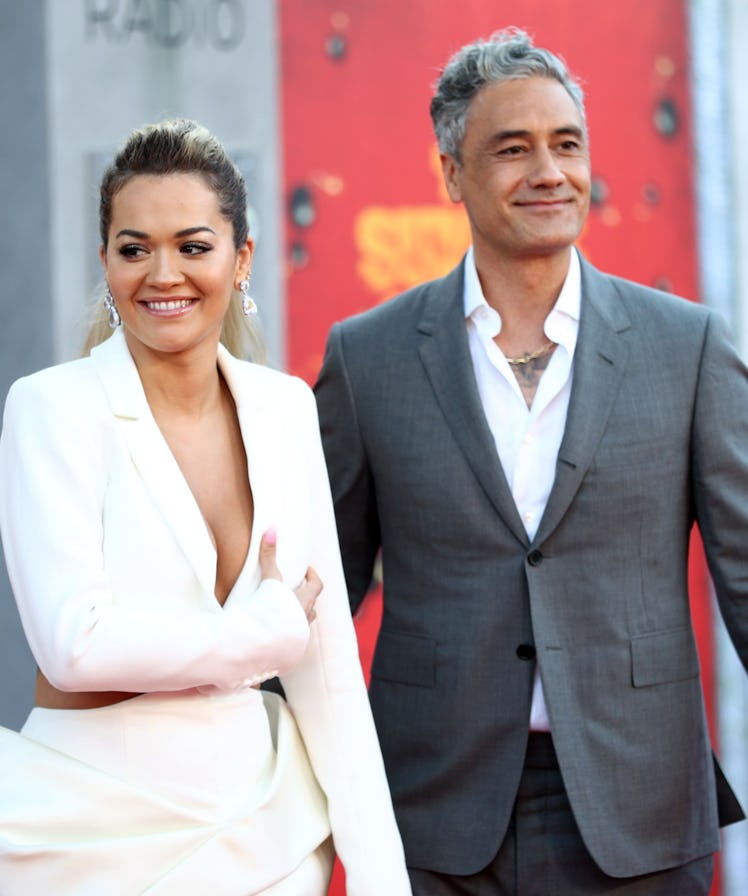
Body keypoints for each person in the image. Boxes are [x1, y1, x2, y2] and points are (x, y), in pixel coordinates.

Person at [314, 27, 748, 896]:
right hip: (433, 803)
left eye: (567, 145)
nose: (549, 172)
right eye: (513, 150)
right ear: (451, 174)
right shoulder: (370, 358)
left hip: (639, 801)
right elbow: (322, 594)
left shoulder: (687, 348)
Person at [0, 118, 411, 895]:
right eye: (134, 248)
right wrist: (255, 636)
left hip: (267, 832)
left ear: (241, 257)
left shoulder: (286, 407)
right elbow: (72, 645)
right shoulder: (52, 407)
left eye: (193, 246)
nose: (163, 274)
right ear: (106, 262)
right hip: (91, 830)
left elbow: (324, 669)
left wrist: (382, 876)